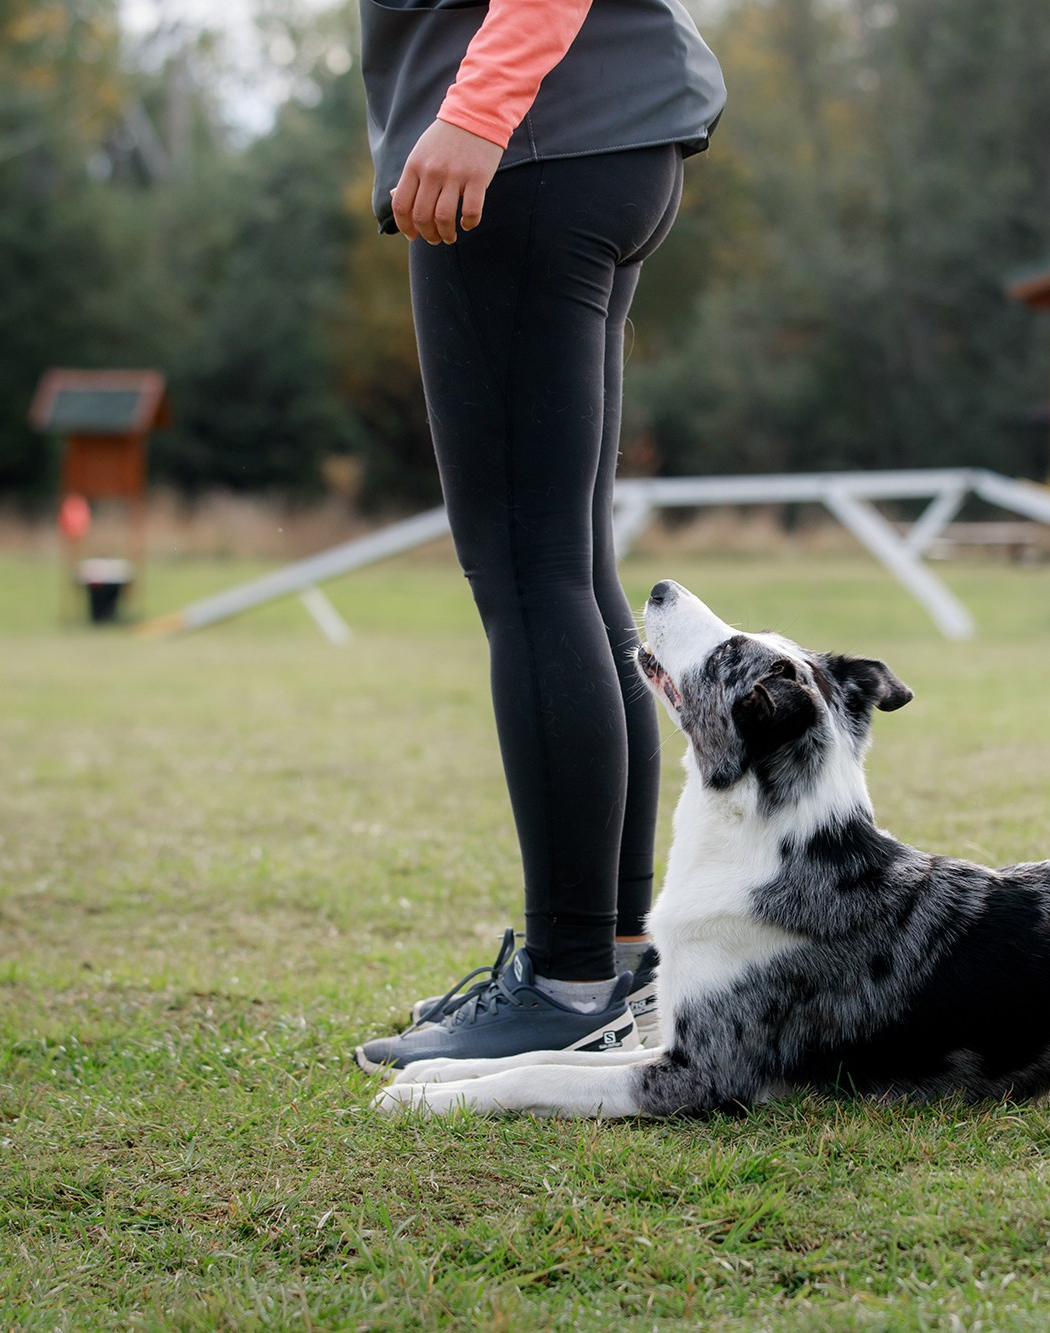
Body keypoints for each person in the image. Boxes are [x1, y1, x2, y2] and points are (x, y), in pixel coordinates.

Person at [351, 0, 724, 1072]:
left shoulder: (498, 122)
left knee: (527, 575)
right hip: (598, 138)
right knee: (564, 571)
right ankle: (609, 952)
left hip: (527, 145)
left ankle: (566, 984)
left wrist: (475, 112)